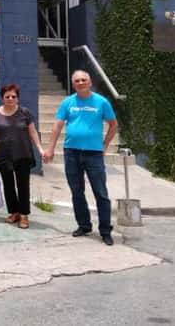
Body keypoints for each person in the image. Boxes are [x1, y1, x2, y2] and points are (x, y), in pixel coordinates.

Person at [43, 70, 119, 246]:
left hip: (94, 154)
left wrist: (105, 145)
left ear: (90, 82)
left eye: (84, 79)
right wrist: (50, 148)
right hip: (71, 153)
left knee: (100, 193)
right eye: (77, 80)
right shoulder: (67, 102)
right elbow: (57, 126)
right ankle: (84, 226)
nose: (81, 82)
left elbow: (113, 125)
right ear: (73, 84)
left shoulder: (101, 102)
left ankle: (105, 231)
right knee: (77, 191)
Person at [0, 84, 44, 230]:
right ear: (2, 98)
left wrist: (39, 148)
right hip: (4, 155)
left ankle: (24, 214)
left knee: (23, 185)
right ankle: (14, 212)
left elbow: (33, 132)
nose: (10, 99)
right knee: (8, 185)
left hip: (23, 154)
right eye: (7, 96)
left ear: (17, 98)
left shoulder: (25, 113)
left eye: (13, 96)